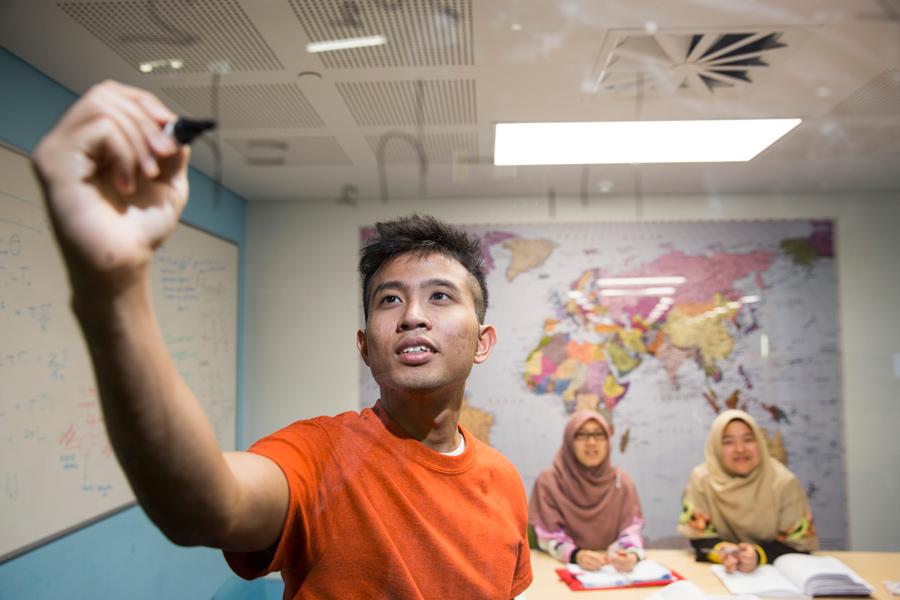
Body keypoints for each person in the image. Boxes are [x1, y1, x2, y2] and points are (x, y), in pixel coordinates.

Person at [31, 80, 532, 599]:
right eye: (389, 299)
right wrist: (111, 287)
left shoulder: (505, 483)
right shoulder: (321, 455)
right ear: (364, 344)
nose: (411, 316)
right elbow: (203, 507)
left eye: (441, 297)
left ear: (482, 342)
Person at [678, 409, 818, 573]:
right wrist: (723, 553)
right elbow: (700, 539)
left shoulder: (784, 482)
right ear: (715, 446)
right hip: (721, 575)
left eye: (749, 439)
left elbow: (799, 546)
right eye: (728, 442)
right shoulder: (702, 480)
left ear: (759, 442)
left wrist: (757, 555)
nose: (740, 449)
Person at [529, 410, 646, 572]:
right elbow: (547, 536)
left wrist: (631, 554)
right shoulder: (549, 481)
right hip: (559, 569)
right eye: (582, 435)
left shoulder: (622, 482)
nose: (591, 442)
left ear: (607, 441)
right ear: (569, 441)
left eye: (599, 435)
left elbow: (631, 530)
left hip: (609, 572)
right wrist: (576, 555)